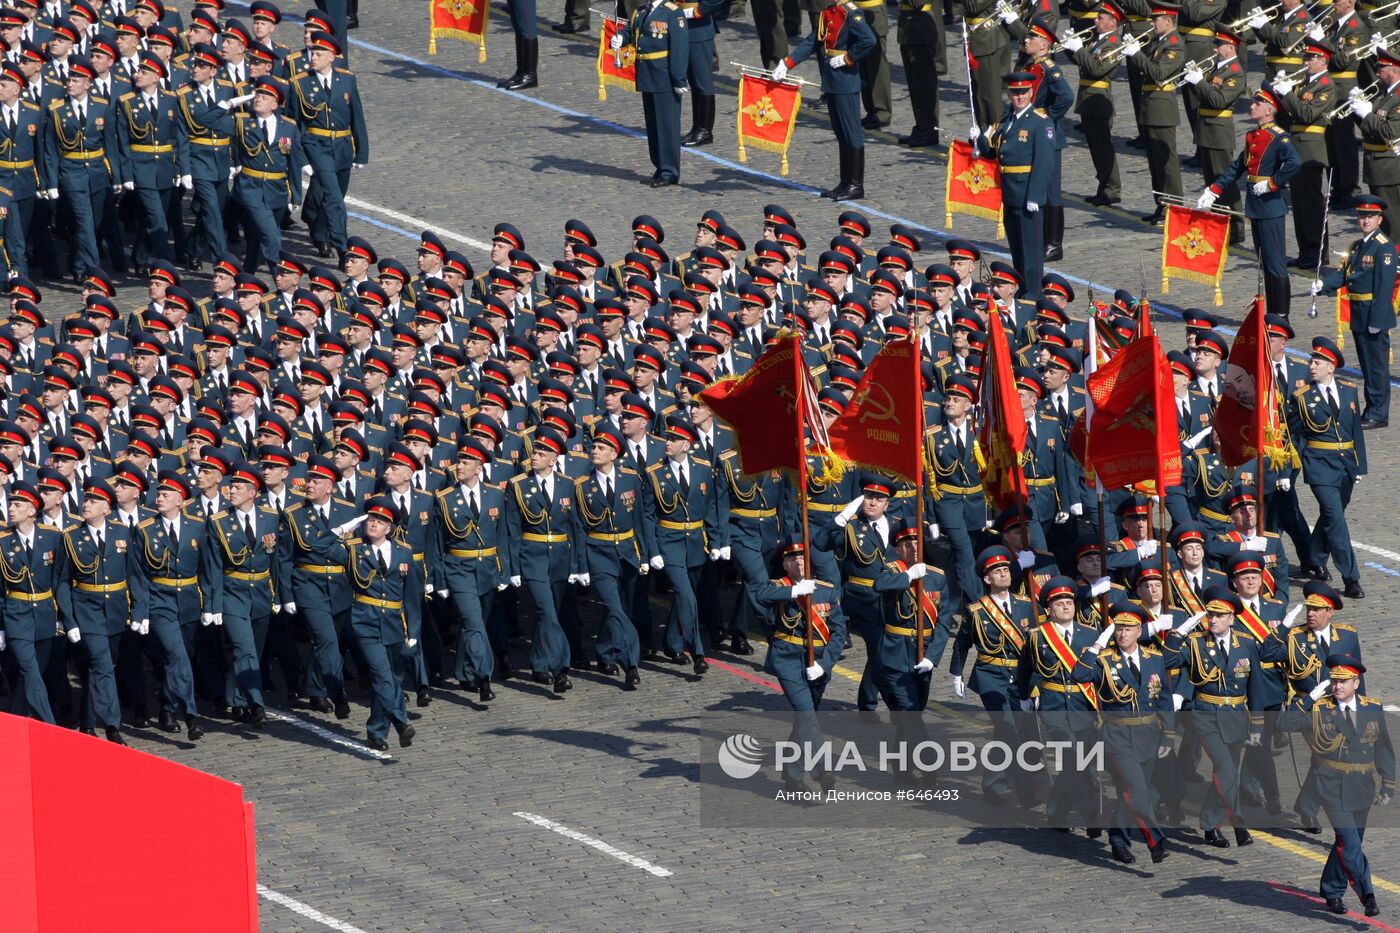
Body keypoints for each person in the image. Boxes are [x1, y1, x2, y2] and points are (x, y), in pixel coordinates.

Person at [1279, 655, 1393, 917]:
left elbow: (1383, 748)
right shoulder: (1321, 710)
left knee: (1347, 844)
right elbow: (1283, 723)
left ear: (1356, 682)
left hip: (1363, 787)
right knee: (1350, 844)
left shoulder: (1372, 708)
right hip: (1331, 787)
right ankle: (1368, 896)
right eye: (1334, 681)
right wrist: (1307, 700)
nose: (1337, 686)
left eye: (1343, 681)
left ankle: (1331, 890)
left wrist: (1387, 783)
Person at [1071, 601, 1174, 865]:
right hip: (1117, 735)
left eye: (1129, 629)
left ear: (1140, 631)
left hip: (1148, 733)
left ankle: (1118, 840)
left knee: (1131, 793)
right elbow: (1079, 675)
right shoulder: (1104, 660)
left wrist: (1168, 733)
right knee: (1136, 788)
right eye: (1118, 629)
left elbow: (1163, 697)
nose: (1123, 634)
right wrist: (1095, 646)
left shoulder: (1155, 659)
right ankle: (1156, 841)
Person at [1197, 88, 1301, 318]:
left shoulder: (1278, 136)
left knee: (1275, 263)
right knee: (1264, 261)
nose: (1252, 107)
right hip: (1256, 204)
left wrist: (1273, 183)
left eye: (1257, 104)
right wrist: (1213, 190)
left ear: (1269, 110)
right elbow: (1238, 166)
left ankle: (1281, 315)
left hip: (1270, 204)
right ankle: (1271, 311)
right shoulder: (1253, 136)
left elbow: (1295, 162)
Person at [751, 533, 844, 790]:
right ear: (784, 563)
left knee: (806, 718)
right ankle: (821, 770)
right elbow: (759, 595)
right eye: (793, 558)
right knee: (805, 713)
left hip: (818, 663)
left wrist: (824, 665)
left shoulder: (825, 590)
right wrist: (794, 591)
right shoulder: (777, 587)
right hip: (788, 660)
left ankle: (792, 775)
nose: (799, 563)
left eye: (803, 557)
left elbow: (839, 632)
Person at [55, 478, 145, 744]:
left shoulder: (122, 533)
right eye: (86, 500)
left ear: (107, 507)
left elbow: (135, 574)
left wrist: (140, 610)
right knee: (103, 665)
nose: (87, 505)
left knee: (99, 668)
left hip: (116, 610)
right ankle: (112, 726)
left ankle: (88, 721)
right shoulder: (71, 537)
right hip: (87, 611)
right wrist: (69, 620)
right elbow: (61, 582)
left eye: (94, 501)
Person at [129, 469, 209, 739]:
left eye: (166, 494)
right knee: (177, 655)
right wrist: (140, 610)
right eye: (158, 493)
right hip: (159, 599)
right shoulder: (145, 530)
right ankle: (191, 716)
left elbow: (208, 569)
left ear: (181, 500)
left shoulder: (197, 526)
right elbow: (138, 574)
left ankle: (167, 706)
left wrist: (211, 604)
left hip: (188, 599)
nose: (159, 498)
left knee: (178, 658)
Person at [772, 0, 877, 200]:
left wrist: (849, 58)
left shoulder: (850, 13)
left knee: (851, 132)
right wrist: (788, 63)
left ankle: (856, 184)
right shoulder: (829, 11)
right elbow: (814, 40)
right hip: (832, 78)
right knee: (840, 132)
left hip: (845, 79)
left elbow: (869, 40)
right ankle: (845, 182)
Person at [1288, 337, 1367, 599]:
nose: (1312, 365)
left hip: (1345, 464)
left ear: (1331, 367)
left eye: (1318, 362)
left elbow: (1355, 431)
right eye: (1311, 361)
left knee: (1331, 517)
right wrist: (1288, 471)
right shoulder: (1301, 397)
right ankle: (1351, 577)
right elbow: (1295, 437)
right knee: (1335, 517)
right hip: (1319, 464)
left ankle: (1314, 556)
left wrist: (1359, 467)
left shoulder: (1348, 390)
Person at [345, 495, 421, 751]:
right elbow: (318, 547)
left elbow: (412, 596)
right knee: (381, 674)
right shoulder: (354, 548)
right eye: (371, 519)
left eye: (380, 521)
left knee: (390, 680)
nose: (373, 524)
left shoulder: (404, 552)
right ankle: (400, 722)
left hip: (395, 624)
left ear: (389, 527)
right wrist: (346, 528)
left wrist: (413, 630)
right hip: (365, 621)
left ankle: (377, 731)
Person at [437, 437, 510, 701]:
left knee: (473, 625)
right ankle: (484, 677)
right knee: (475, 622)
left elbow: (503, 536)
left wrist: (505, 571)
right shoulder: (445, 498)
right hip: (459, 568)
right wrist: (439, 577)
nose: (459, 466)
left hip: (488, 568)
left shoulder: (495, 494)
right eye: (459, 460)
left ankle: (464, 671)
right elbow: (438, 542)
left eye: (466, 461)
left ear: (479, 467)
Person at [1315, 195, 1396, 430]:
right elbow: (1346, 274)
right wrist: (1324, 286)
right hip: (1359, 313)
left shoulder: (1384, 247)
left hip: (1373, 314)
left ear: (1379, 219)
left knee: (1376, 367)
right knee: (1366, 364)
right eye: (1362, 216)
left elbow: (1384, 287)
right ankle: (1371, 408)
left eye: (1370, 216)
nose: (1365, 220)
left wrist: (1378, 320)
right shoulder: (1359, 246)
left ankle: (1378, 412)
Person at [287, 31, 366, 260]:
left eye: (319, 53)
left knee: (337, 196)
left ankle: (320, 232)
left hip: (342, 146)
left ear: (332, 56)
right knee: (333, 198)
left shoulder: (347, 80)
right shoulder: (300, 84)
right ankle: (342, 248)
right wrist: (300, 158)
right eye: (313, 52)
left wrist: (361, 152)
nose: (314, 56)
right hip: (317, 145)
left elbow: (356, 117)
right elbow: (292, 125)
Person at [973, 72, 1053, 293]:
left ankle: (1034, 292)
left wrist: (1035, 196)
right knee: (1017, 247)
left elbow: (1044, 163)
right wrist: (979, 138)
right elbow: (993, 152)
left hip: (1027, 192)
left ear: (1031, 93)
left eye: (1023, 92)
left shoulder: (1040, 123)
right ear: (1009, 94)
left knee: (1031, 249)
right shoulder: (1006, 121)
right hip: (1009, 193)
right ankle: (1023, 286)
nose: (1019, 97)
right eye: (1014, 93)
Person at [231, 76, 304, 275]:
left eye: (265, 95)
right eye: (257, 94)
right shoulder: (242, 122)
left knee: (256, 237)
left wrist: (296, 195)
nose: (258, 97)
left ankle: (246, 278)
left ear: (275, 103)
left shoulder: (288, 126)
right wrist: (230, 103)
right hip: (250, 189)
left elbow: (293, 163)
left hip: (277, 191)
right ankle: (281, 280)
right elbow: (208, 120)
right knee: (272, 238)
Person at [612, 0, 689, 188]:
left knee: (667, 126)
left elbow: (680, 49)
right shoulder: (640, 12)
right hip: (647, 74)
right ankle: (659, 165)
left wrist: (678, 79)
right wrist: (621, 38)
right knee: (654, 126)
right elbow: (633, 32)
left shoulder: (673, 14)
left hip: (664, 76)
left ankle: (670, 170)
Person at [1121, 1, 1184, 226]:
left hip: (1162, 108)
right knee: (1154, 162)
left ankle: (1174, 208)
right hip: (1150, 106)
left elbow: (1157, 72)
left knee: (1166, 163)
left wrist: (1137, 54)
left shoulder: (1175, 44)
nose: (1152, 22)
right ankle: (1161, 204)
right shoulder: (1159, 42)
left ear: (1168, 21)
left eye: (1156, 19)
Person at [1061, 1, 1124, 207]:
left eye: (1100, 18)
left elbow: (1097, 70)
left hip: (1099, 99)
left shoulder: (1114, 43)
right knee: (1096, 148)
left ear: (1112, 23)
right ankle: (1103, 186)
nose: (1096, 20)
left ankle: (1111, 189)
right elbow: (1084, 62)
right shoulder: (1099, 40)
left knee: (1103, 148)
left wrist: (1079, 49)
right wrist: (1071, 47)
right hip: (1088, 97)